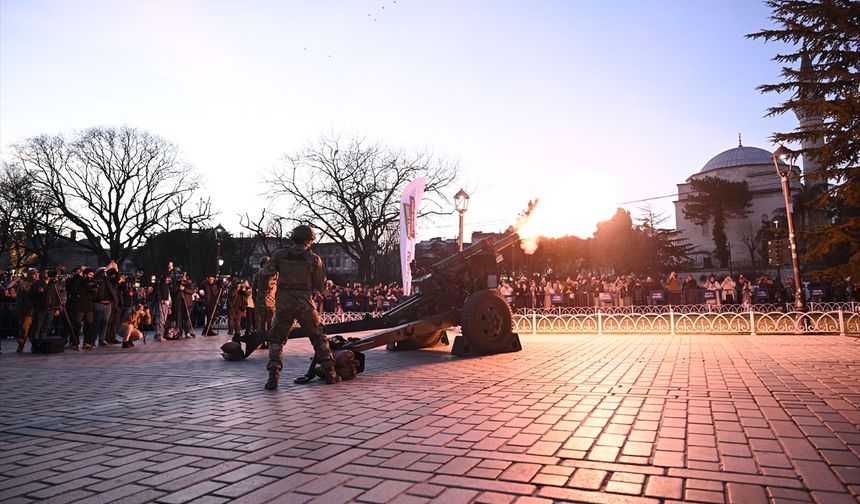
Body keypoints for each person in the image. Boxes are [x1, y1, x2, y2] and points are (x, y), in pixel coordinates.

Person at [261, 224, 339, 390]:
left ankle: (273, 376)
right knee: (318, 337)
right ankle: (330, 373)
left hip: (283, 304)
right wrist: (329, 284)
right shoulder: (313, 259)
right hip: (304, 304)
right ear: (309, 240)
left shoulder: (280, 255)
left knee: (277, 339)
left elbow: (265, 273)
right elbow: (321, 286)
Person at [252, 256, 277, 334]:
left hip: (270, 303)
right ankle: (262, 341)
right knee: (261, 325)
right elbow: (253, 289)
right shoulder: (258, 275)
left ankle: (268, 341)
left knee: (270, 325)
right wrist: (255, 301)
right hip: (262, 303)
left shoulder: (275, 275)